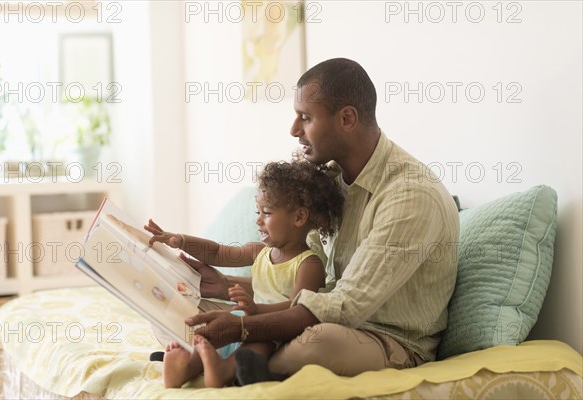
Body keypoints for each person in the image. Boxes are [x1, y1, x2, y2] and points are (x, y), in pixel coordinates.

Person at [183, 58, 461, 382]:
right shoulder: (331, 181)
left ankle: (232, 365)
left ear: (346, 118)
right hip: (327, 317)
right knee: (199, 307)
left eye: (305, 117)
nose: (293, 130)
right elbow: (310, 286)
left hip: (388, 341)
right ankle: (226, 362)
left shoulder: (411, 196)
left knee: (317, 343)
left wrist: (244, 327)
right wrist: (229, 286)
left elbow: (345, 307)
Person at [144, 159, 344, 388]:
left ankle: (222, 371)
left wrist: (257, 310)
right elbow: (217, 252)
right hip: (249, 318)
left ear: (299, 217)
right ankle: (186, 367)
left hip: (277, 330)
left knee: (259, 344)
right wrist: (179, 240)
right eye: (258, 212)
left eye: (266, 213)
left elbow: (298, 308)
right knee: (208, 334)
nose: (258, 221)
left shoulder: (309, 264)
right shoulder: (259, 251)